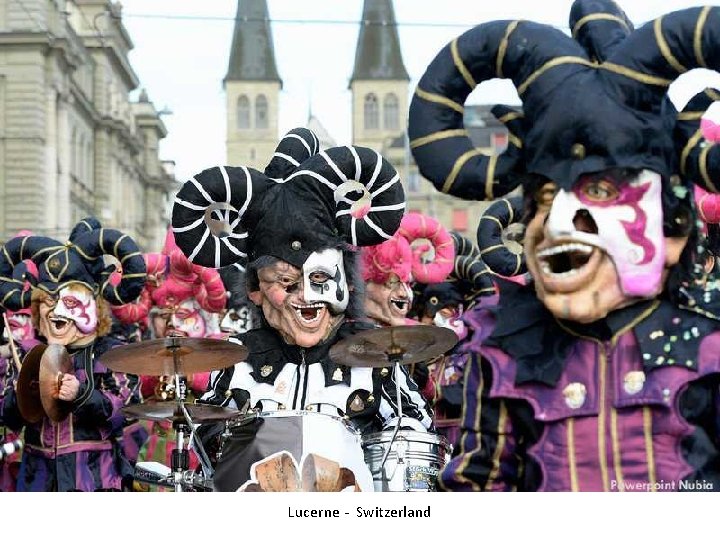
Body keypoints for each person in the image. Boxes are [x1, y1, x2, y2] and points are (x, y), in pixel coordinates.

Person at [408, 0, 720, 491]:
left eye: (598, 191)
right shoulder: (505, 351)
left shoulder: (709, 342)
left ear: (673, 228)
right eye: (546, 196)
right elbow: (480, 488)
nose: (557, 221)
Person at [171, 128, 433, 491]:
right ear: (256, 291)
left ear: (347, 283)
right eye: (286, 283)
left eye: (321, 277)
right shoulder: (235, 362)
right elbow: (209, 447)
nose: (305, 296)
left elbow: (415, 439)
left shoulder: (378, 358)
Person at [0, 218, 146, 491]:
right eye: (47, 301)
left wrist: (82, 395)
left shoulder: (112, 353)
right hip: (37, 477)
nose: (56, 312)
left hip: (93, 476)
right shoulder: (27, 352)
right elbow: (7, 418)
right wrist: (22, 392)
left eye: (69, 302)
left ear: (96, 306)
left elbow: (125, 412)